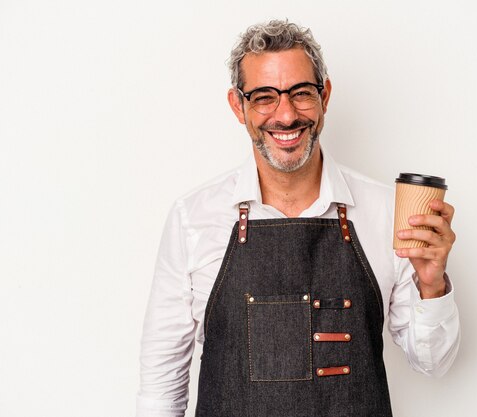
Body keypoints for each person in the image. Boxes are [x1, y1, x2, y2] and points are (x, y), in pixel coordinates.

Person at [137, 19, 460, 417]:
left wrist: (432, 285)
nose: (286, 116)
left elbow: (434, 361)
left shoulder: (385, 211)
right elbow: (161, 387)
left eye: (301, 93)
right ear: (238, 106)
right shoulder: (192, 218)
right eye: (264, 97)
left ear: (325, 95)